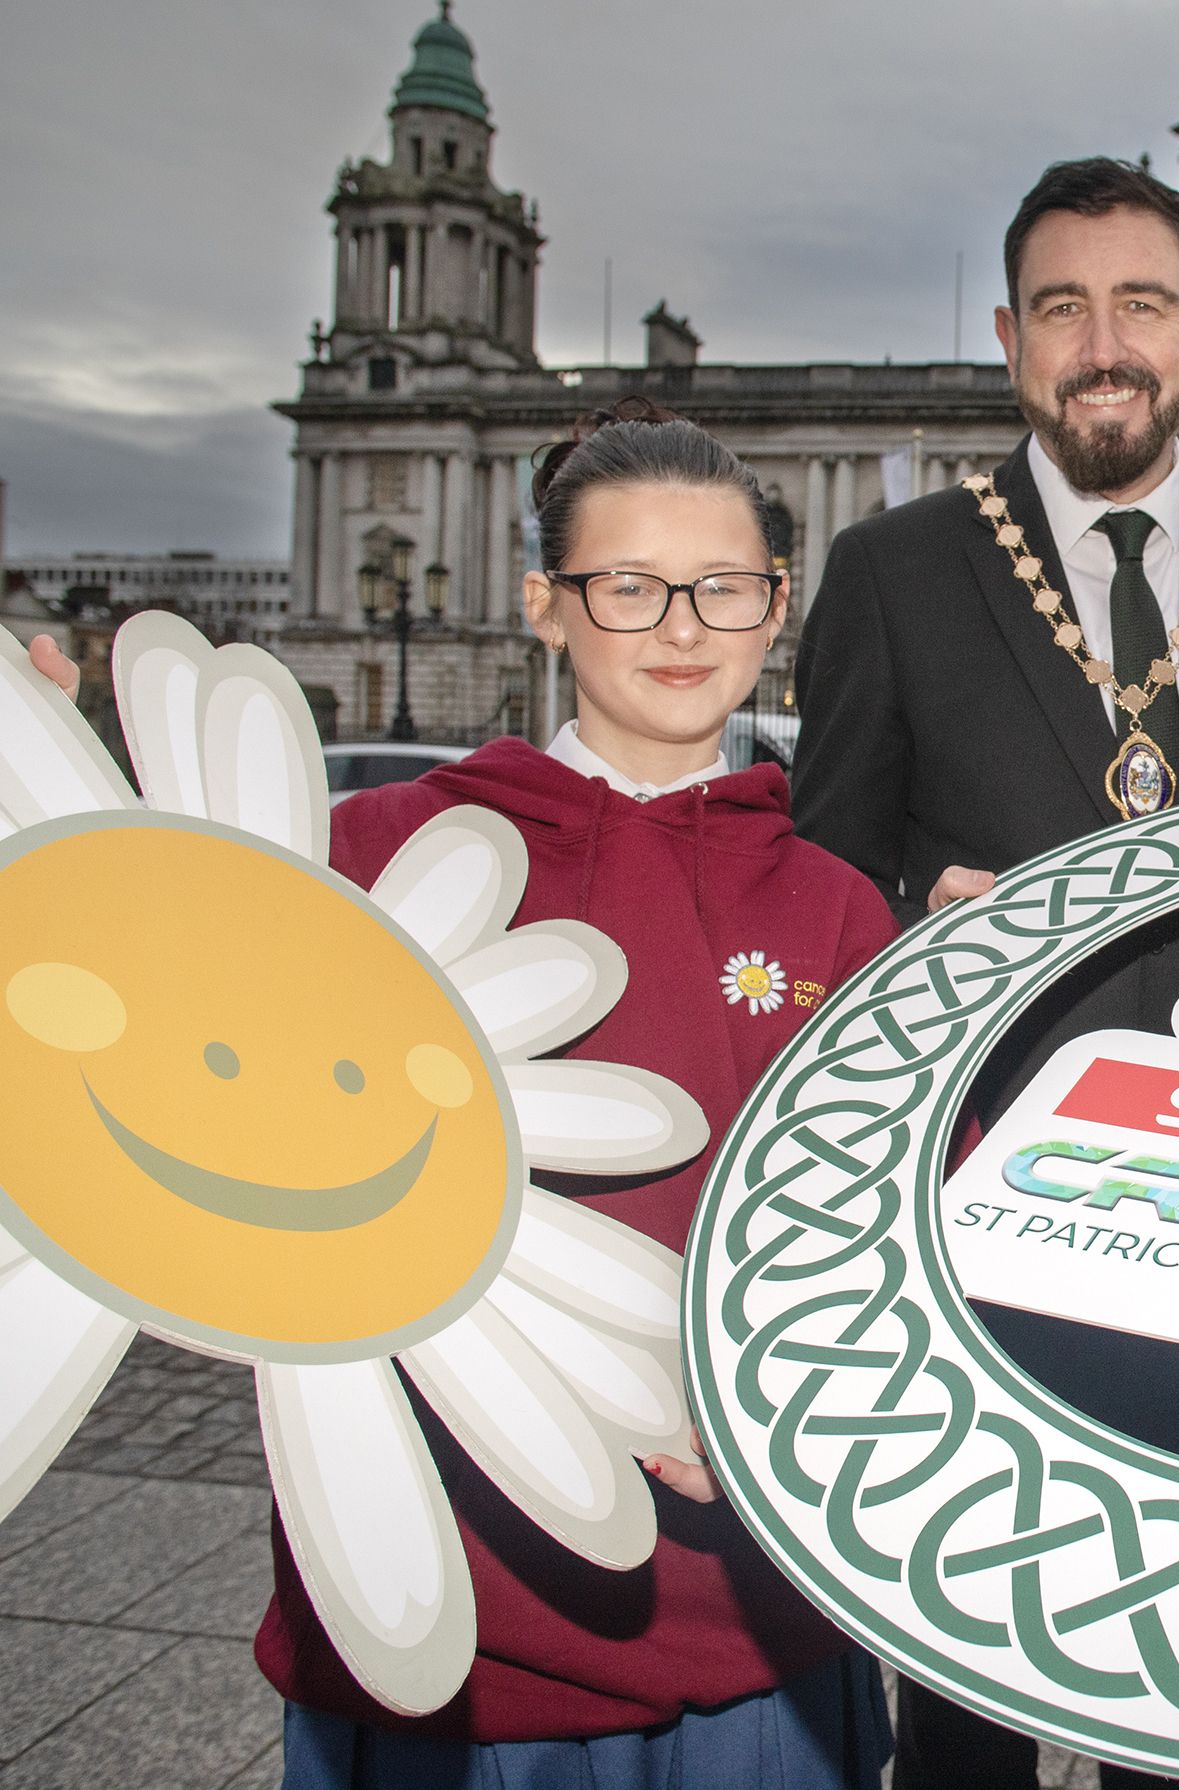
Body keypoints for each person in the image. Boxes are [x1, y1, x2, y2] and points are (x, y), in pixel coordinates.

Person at [787, 157, 1179, 1788]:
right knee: (964, 1693)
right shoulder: (892, 570)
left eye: (1142, 305)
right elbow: (818, 884)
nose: (1103, 346)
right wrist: (915, 909)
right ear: (1009, 338)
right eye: (1063, 308)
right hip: (979, 1202)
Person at [251, 400, 894, 1786]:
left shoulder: (841, 905)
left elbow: (878, 1223)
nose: (682, 627)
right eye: (630, 586)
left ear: (776, 606)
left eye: (723, 587)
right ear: (546, 605)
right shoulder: (379, 850)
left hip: (747, 1599)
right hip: (444, 1578)